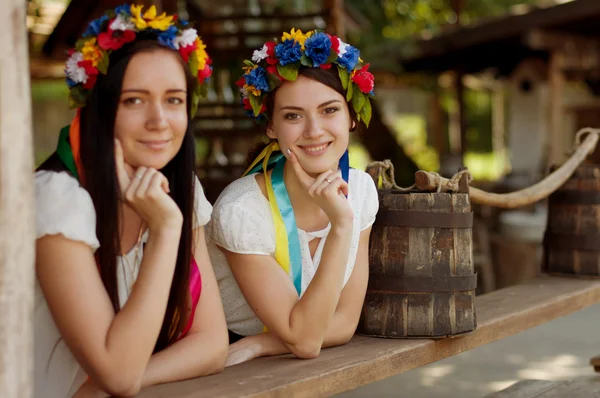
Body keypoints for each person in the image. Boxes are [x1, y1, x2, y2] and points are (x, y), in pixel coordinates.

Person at [34, 4, 227, 397]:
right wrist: (166, 228)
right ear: (100, 109)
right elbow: (120, 377)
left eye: (173, 100)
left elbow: (211, 345)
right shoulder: (57, 199)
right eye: (134, 101)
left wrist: (103, 384)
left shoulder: (179, 188)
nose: (159, 120)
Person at [206, 29, 379, 366]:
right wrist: (342, 227)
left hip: (266, 354)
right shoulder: (241, 211)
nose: (313, 130)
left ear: (352, 117)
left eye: (329, 110)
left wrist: (260, 345)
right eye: (293, 116)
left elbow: (343, 324)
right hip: (225, 366)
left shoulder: (359, 191)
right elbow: (304, 341)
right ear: (271, 126)